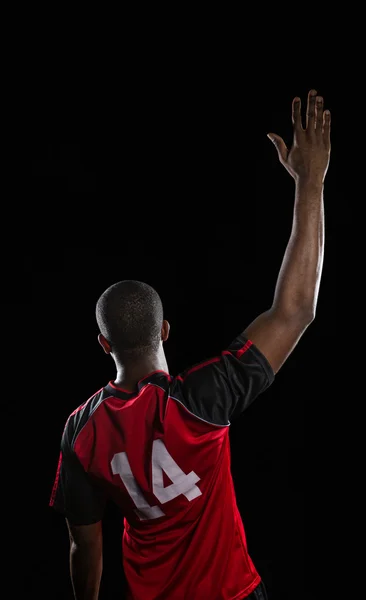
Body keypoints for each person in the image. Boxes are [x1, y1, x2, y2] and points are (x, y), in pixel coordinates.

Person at [49, 88, 331, 600]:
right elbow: (295, 310)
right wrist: (310, 182)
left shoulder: (79, 431)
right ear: (164, 331)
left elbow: (84, 550)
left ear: (102, 343)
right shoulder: (201, 401)